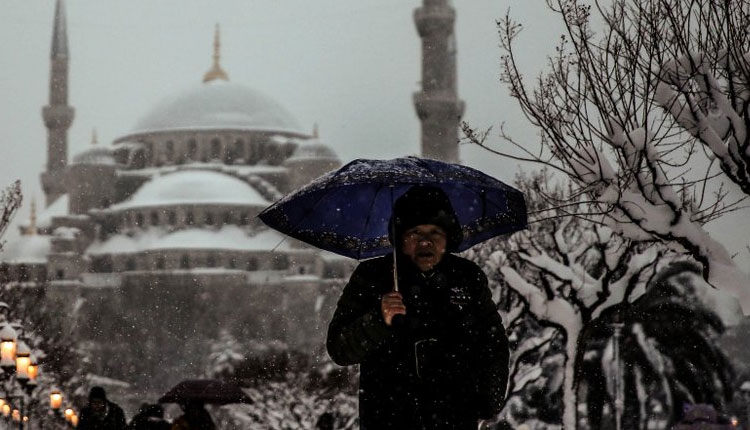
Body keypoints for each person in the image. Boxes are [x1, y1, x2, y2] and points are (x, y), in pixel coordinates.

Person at [326, 185, 510, 430]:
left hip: (454, 417)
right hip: (388, 417)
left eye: (435, 232)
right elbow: (339, 348)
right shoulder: (373, 277)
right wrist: (379, 320)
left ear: (448, 237)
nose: (426, 241)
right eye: (415, 232)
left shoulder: (466, 277)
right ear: (400, 237)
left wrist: (485, 404)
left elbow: (493, 344)